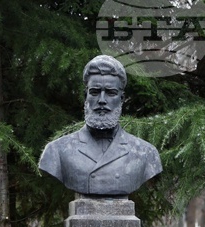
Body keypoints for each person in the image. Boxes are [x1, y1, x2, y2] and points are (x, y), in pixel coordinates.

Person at [39, 54, 161, 196]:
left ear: (122, 99)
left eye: (111, 93)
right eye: (95, 92)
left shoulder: (146, 153)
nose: (102, 100)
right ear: (86, 97)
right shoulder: (57, 151)